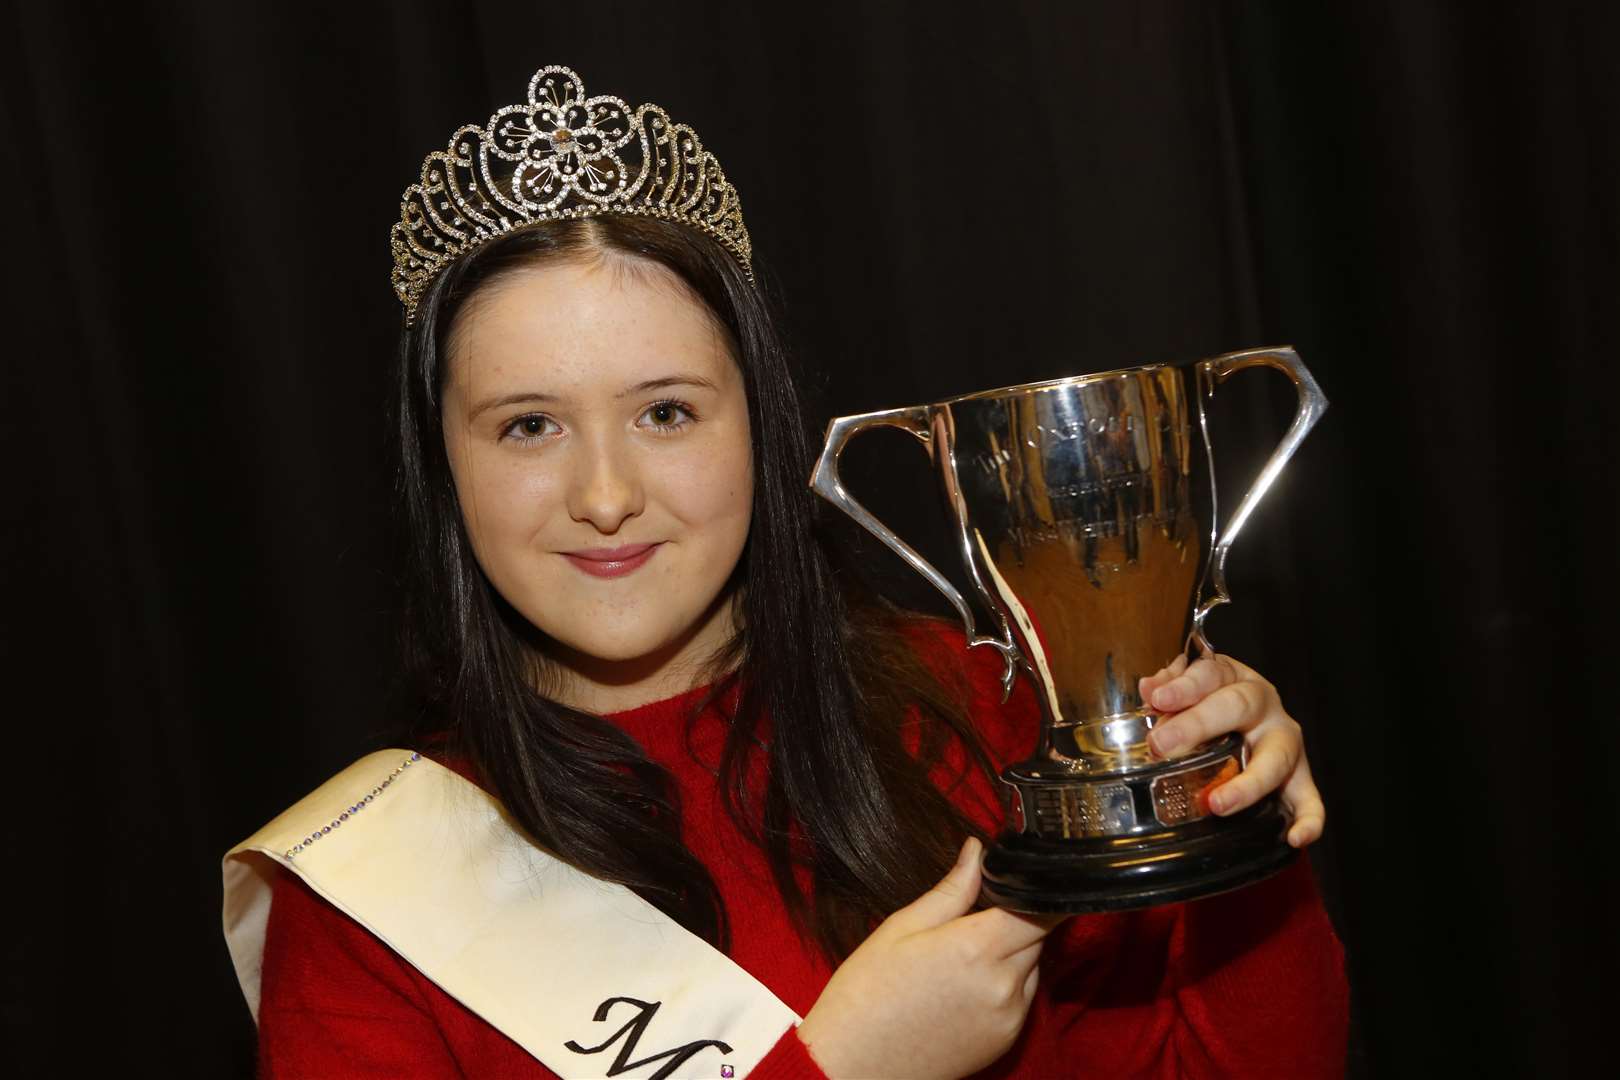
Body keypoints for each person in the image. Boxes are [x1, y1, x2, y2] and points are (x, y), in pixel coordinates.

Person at [223, 65, 1348, 1078]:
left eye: (666, 412)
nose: (605, 493)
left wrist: (1232, 841)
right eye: (528, 427)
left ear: (760, 428)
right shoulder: (372, 905)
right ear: (442, 469)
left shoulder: (988, 703)